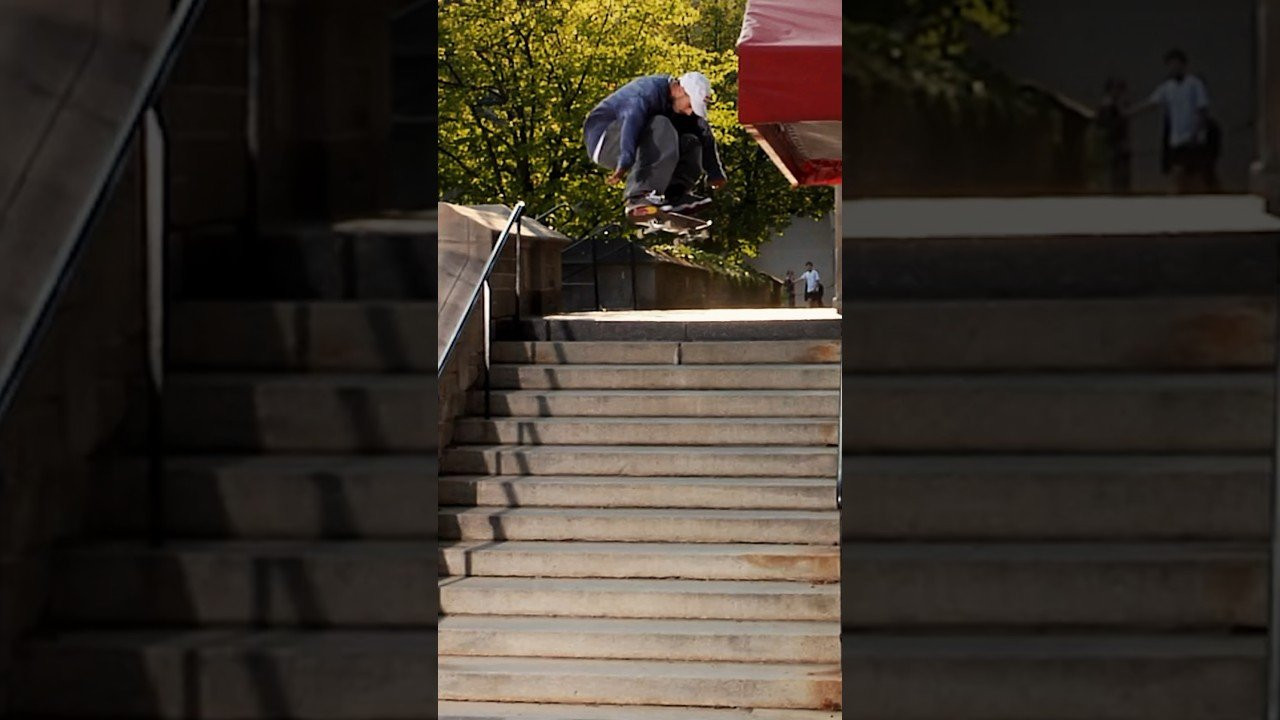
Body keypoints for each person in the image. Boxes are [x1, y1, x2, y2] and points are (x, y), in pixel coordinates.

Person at [583, 72, 728, 222]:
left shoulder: (680, 104)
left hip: (635, 141)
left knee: (690, 141)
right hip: (605, 139)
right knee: (661, 124)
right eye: (690, 105)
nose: (689, 112)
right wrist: (624, 161)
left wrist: (715, 173)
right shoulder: (646, 92)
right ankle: (639, 196)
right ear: (679, 90)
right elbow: (631, 123)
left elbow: (703, 133)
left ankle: (674, 196)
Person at [1127, 49, 1219, 193]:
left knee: (1196, 174)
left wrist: (1197, 132)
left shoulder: (1194, 84)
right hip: (1176, 139)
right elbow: (1151, 103)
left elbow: (1202, 109)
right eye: (1171, 65)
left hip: (1193, 138)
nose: (1174, 68)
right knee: (1177, 171)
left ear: (1184, 65)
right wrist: (1128, 113)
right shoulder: (1167, 87)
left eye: (1177, 64)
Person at [1096, 77, 1133, 194]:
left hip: (1121, 144)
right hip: (1112, 144)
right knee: (1114, 173)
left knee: (1122, 174)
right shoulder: (1107, 106)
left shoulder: (1120, 104)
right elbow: (1103, 124)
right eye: (1116, 89)